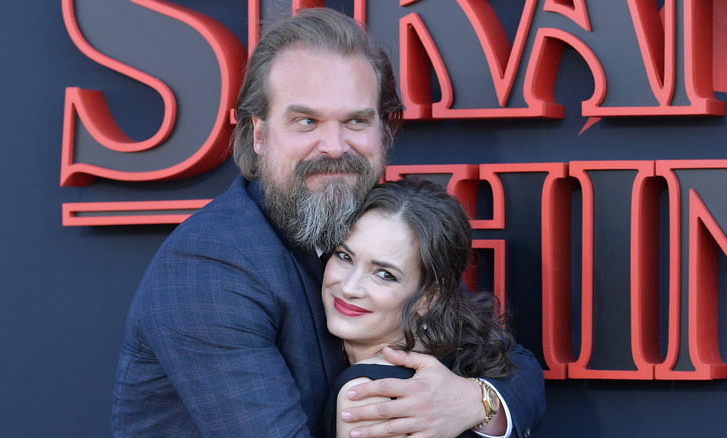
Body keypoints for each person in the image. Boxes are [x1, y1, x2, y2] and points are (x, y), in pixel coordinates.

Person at [111, 7, 545, 438]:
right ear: (259, 134)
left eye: (356, 120)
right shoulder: (209, 267)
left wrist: (474, 402)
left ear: (382, 131)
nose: (335, 146)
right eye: (307, 121)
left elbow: (509, 360)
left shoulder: (372, 219)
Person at [319, 178, 516, 438]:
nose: (349, 287)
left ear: (429, 298)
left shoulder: (367, 395)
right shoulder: (451, 364)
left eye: (385, 274)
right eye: (345, 256)